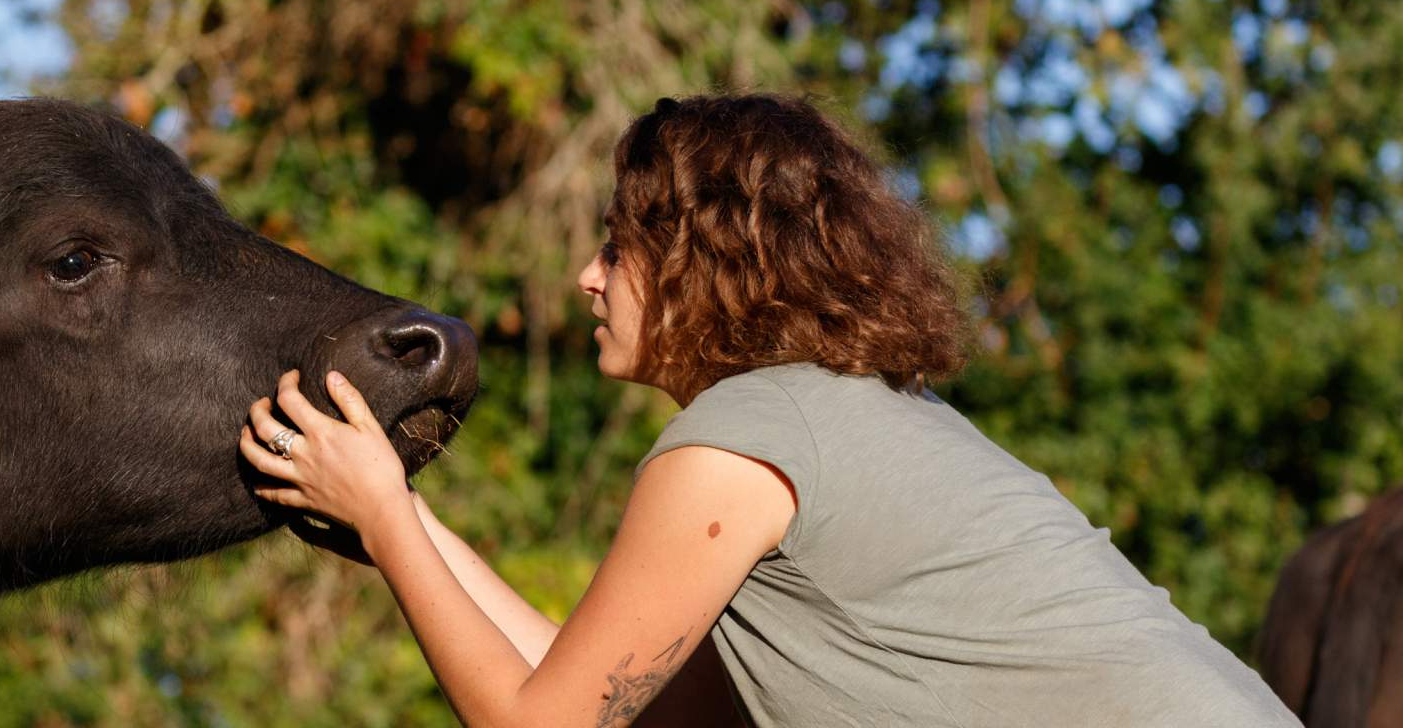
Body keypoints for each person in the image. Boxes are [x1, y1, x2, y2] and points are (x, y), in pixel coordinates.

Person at [237, 94, 1298, 727]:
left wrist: (381, 516)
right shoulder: (841, 418)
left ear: (701, 266)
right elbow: (621, 705)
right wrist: (400, 517)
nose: (585, 277)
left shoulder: (742, 440)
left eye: (617, 246)